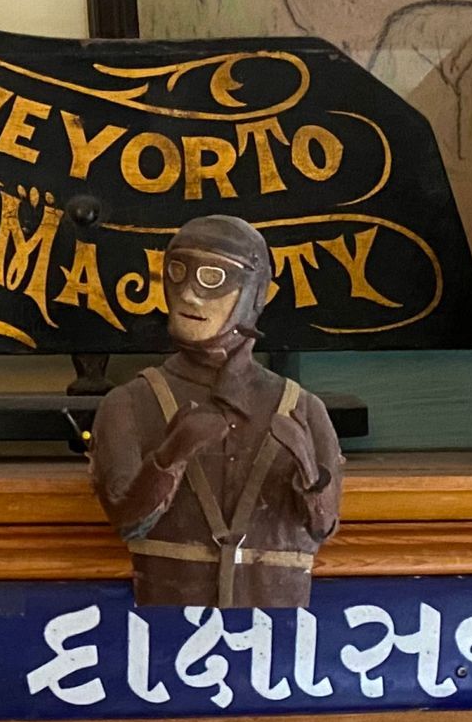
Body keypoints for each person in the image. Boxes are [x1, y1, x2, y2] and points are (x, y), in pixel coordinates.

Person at [88, 214, 342, 608]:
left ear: (256, 294)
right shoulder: (129, 403)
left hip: (273, 628)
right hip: (171, 626)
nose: (189, 294)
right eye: (177, 272)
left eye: (213, 278)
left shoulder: (303, 408)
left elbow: (322, 527)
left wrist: (311, 479)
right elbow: (128, 520)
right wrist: (171, 457)